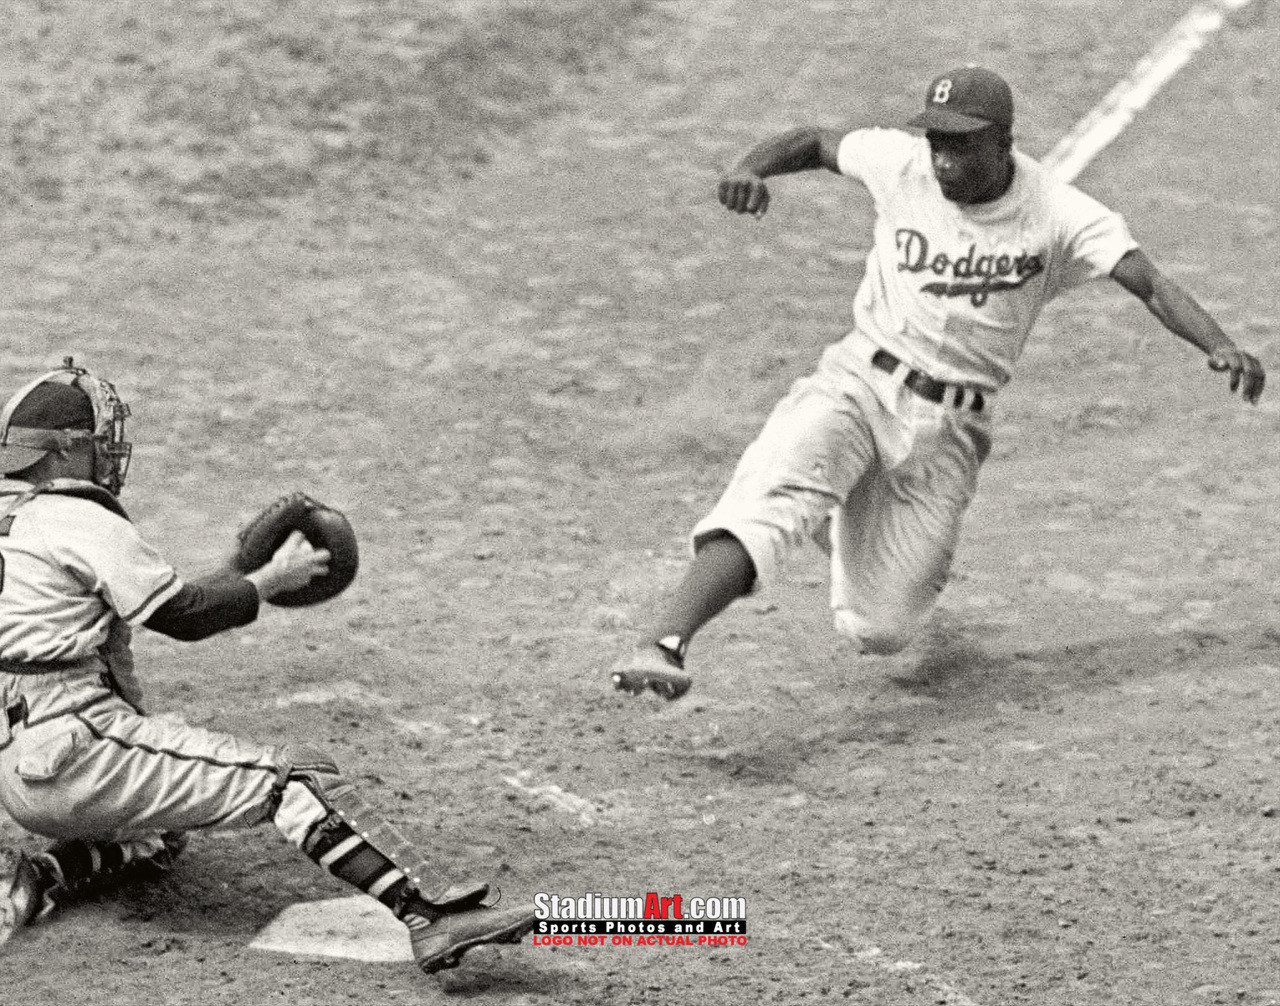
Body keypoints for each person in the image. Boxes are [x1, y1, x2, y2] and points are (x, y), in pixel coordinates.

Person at [611, 65, 1266, 701]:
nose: (944, 161)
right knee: (772, 498)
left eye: (962, 145)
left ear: (1004, 143)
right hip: (859, 382)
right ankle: (664, 643)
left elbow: (1148, 281)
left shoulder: (1061, 213)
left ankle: (843, 516)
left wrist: (1219, 343)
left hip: (950, 431)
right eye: (938, 142)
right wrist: (749, 167)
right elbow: (815, 142)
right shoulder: (902, 164)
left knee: (881, 629)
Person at [0, 359, 537, 974]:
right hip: (81, 750)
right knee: (297, 779)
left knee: (161, 825)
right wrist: (266, 581)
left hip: (17, 763)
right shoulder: (74, 514)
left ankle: (45, 873)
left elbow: (159, 599)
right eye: (97, 444)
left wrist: (238, 570)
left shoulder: (16, 522)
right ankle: (431, 915)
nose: (108, 456)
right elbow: (183, 617)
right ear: (65, 450)